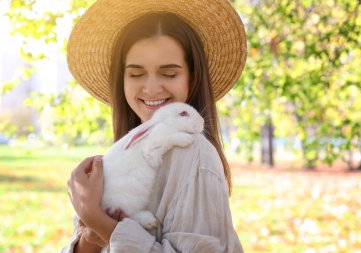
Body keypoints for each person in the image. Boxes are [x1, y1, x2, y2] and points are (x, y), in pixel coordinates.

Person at [61, 0, 247, 252]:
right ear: (122, 79)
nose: (151, 89)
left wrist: (99, 220)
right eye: (136, 74)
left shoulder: (194, 154)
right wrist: (88, 233)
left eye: (169, 74)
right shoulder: (121, 154)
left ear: (192, 79)